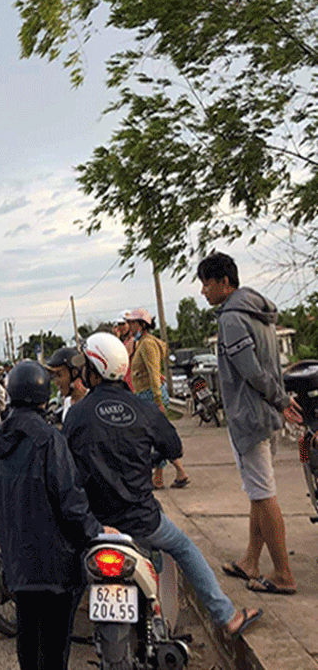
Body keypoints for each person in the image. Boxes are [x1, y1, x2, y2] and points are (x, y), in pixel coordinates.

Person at [64, 332, 263, 636]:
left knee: (70, 568)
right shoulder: (144, 411)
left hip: (96, 523)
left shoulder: (76, 415)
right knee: (183, 546)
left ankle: (57, 632)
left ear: (95, 370)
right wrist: (148, 454)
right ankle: (227, 616)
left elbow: (67, 467)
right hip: (144, 519)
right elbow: (174, 448)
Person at [0, 360, 112, 670]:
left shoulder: (1, 441)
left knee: (28, 638)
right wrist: (98, 532)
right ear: (43, 397)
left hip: (19, 565)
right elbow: (71, 503)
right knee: (55, 649)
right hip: (55, 566)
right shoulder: (48, 439)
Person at [198, 252, 302, 595]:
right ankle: (250, 561)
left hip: (250, 416)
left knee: (263, 494)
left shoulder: (231, 319)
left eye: (207, 283)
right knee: (258, 492)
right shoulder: (258, 313)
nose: (203, 291)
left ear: (225, 283)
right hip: (265, 414)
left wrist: (281, 400)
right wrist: (279, 401)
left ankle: (283, 574)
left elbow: (252, 372)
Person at [125, 308, 191, 489]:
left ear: (141, 325)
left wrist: (158, 400)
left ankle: (165, 476)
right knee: (156, 438)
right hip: (145, 394)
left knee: (157, 439)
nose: (129, 327)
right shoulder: (141, 343)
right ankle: (172, 474)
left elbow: (154, 373)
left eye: (132, 323)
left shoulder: (147, 345)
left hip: (150, 395)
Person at [44, 347, 88, 423]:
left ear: (74, 373)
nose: (56, 382)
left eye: (59, 375)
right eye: (54, 376)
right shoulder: (66, 401)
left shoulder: (90, 403)